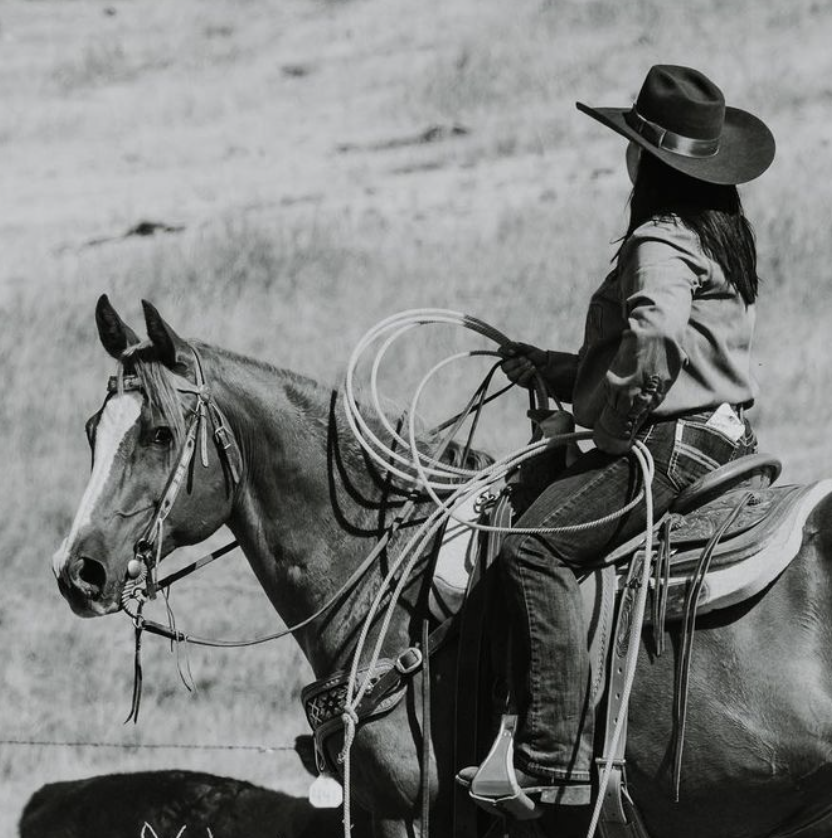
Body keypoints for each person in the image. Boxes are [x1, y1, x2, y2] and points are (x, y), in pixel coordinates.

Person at [458, 64, 776, 809]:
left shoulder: (660, 237)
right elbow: (678, 350)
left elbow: (658, 338)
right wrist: (562, 371)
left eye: (634, 144)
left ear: (649, 162)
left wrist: (607, 429)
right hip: (722, 433)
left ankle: (547, 760)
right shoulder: (718, 231)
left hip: (671, 440)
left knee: (532, 547)